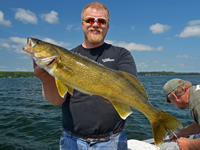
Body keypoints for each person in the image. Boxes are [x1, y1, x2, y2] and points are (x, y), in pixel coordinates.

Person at [33, 2, 138, 150]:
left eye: (101, 21)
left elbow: (131, 87)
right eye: (90, 20)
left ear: (108, 26)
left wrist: (116, 96)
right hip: (71, 142)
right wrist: (44, 76)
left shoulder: (121, 54)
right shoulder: (68, 56)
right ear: (82, 24)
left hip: (112, 142)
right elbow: (57, 100)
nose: (95, 24)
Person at [163, 78, 200, 150]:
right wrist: (181, 133)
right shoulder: (195, 94)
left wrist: (189, 145)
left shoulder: (197, 104)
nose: (172, 104)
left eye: (169, 101)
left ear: (174, 96)